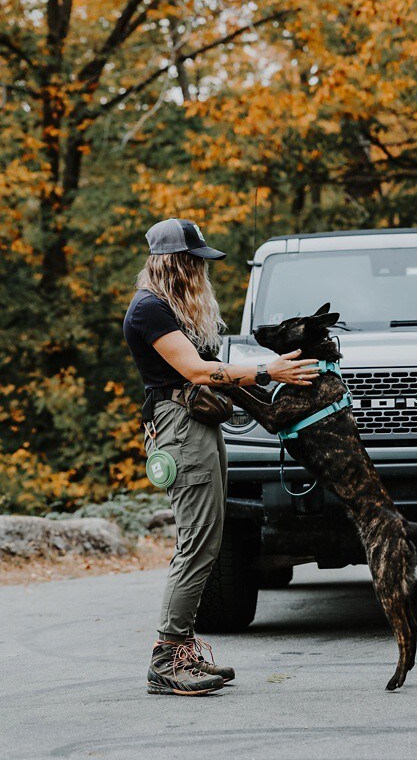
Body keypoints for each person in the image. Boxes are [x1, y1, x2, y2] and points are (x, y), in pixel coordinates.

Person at [123, 217, 319, 696]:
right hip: (180, 428)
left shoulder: (168, 309)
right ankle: (168, 658)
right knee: (197, 541)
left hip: (199, 426)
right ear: (175, 264)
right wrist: (267, 371)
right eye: (195, 263)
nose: (202, 273)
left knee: (207, 540)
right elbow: (195, 370)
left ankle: (182, 650)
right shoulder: (148, 311)